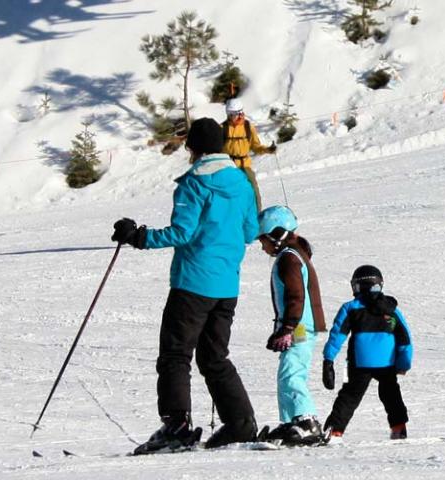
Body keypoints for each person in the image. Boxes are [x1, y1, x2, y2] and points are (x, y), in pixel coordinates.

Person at [114, 118, 262, 454]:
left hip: (193, 283)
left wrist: (138, 236)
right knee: (214, 357)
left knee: (175, 355)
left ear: (192, 147)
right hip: (227, 286)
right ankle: (240, 423)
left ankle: (176, 426)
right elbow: (251, 231)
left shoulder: (193, 184)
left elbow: (181, 233)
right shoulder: (241, 182)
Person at [255, 205, 328, 446]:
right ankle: (291, 421)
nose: (262, 246)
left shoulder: (289, 259)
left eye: (263, 239)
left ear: (277, 234)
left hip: (299, 325)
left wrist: (287, 328)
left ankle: (306, 421)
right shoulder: (295, 254)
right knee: (287, 371)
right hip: (299, 324)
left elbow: (296, 296)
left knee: (292, 372)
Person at [321, 265, 414, 441]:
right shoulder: (392, 310)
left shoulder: (350, 308)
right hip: (387, 364)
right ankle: (399, 428)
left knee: (349, 396)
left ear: (357, 286)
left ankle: (334, 432)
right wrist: (403, 364)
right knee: (391, 394)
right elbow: (405, 340)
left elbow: (337, 335)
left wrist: (328, 359)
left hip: (358, 363)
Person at [222, 100, 276, 209]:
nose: (239, 116)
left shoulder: (248, 127)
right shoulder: (222, 128)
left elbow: (256, 146)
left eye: (240, 113)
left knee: (253, 190)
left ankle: (256, 215)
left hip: (245, 165)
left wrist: (268, 150)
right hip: (228, 166)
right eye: (234, 114)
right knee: (229, 194)